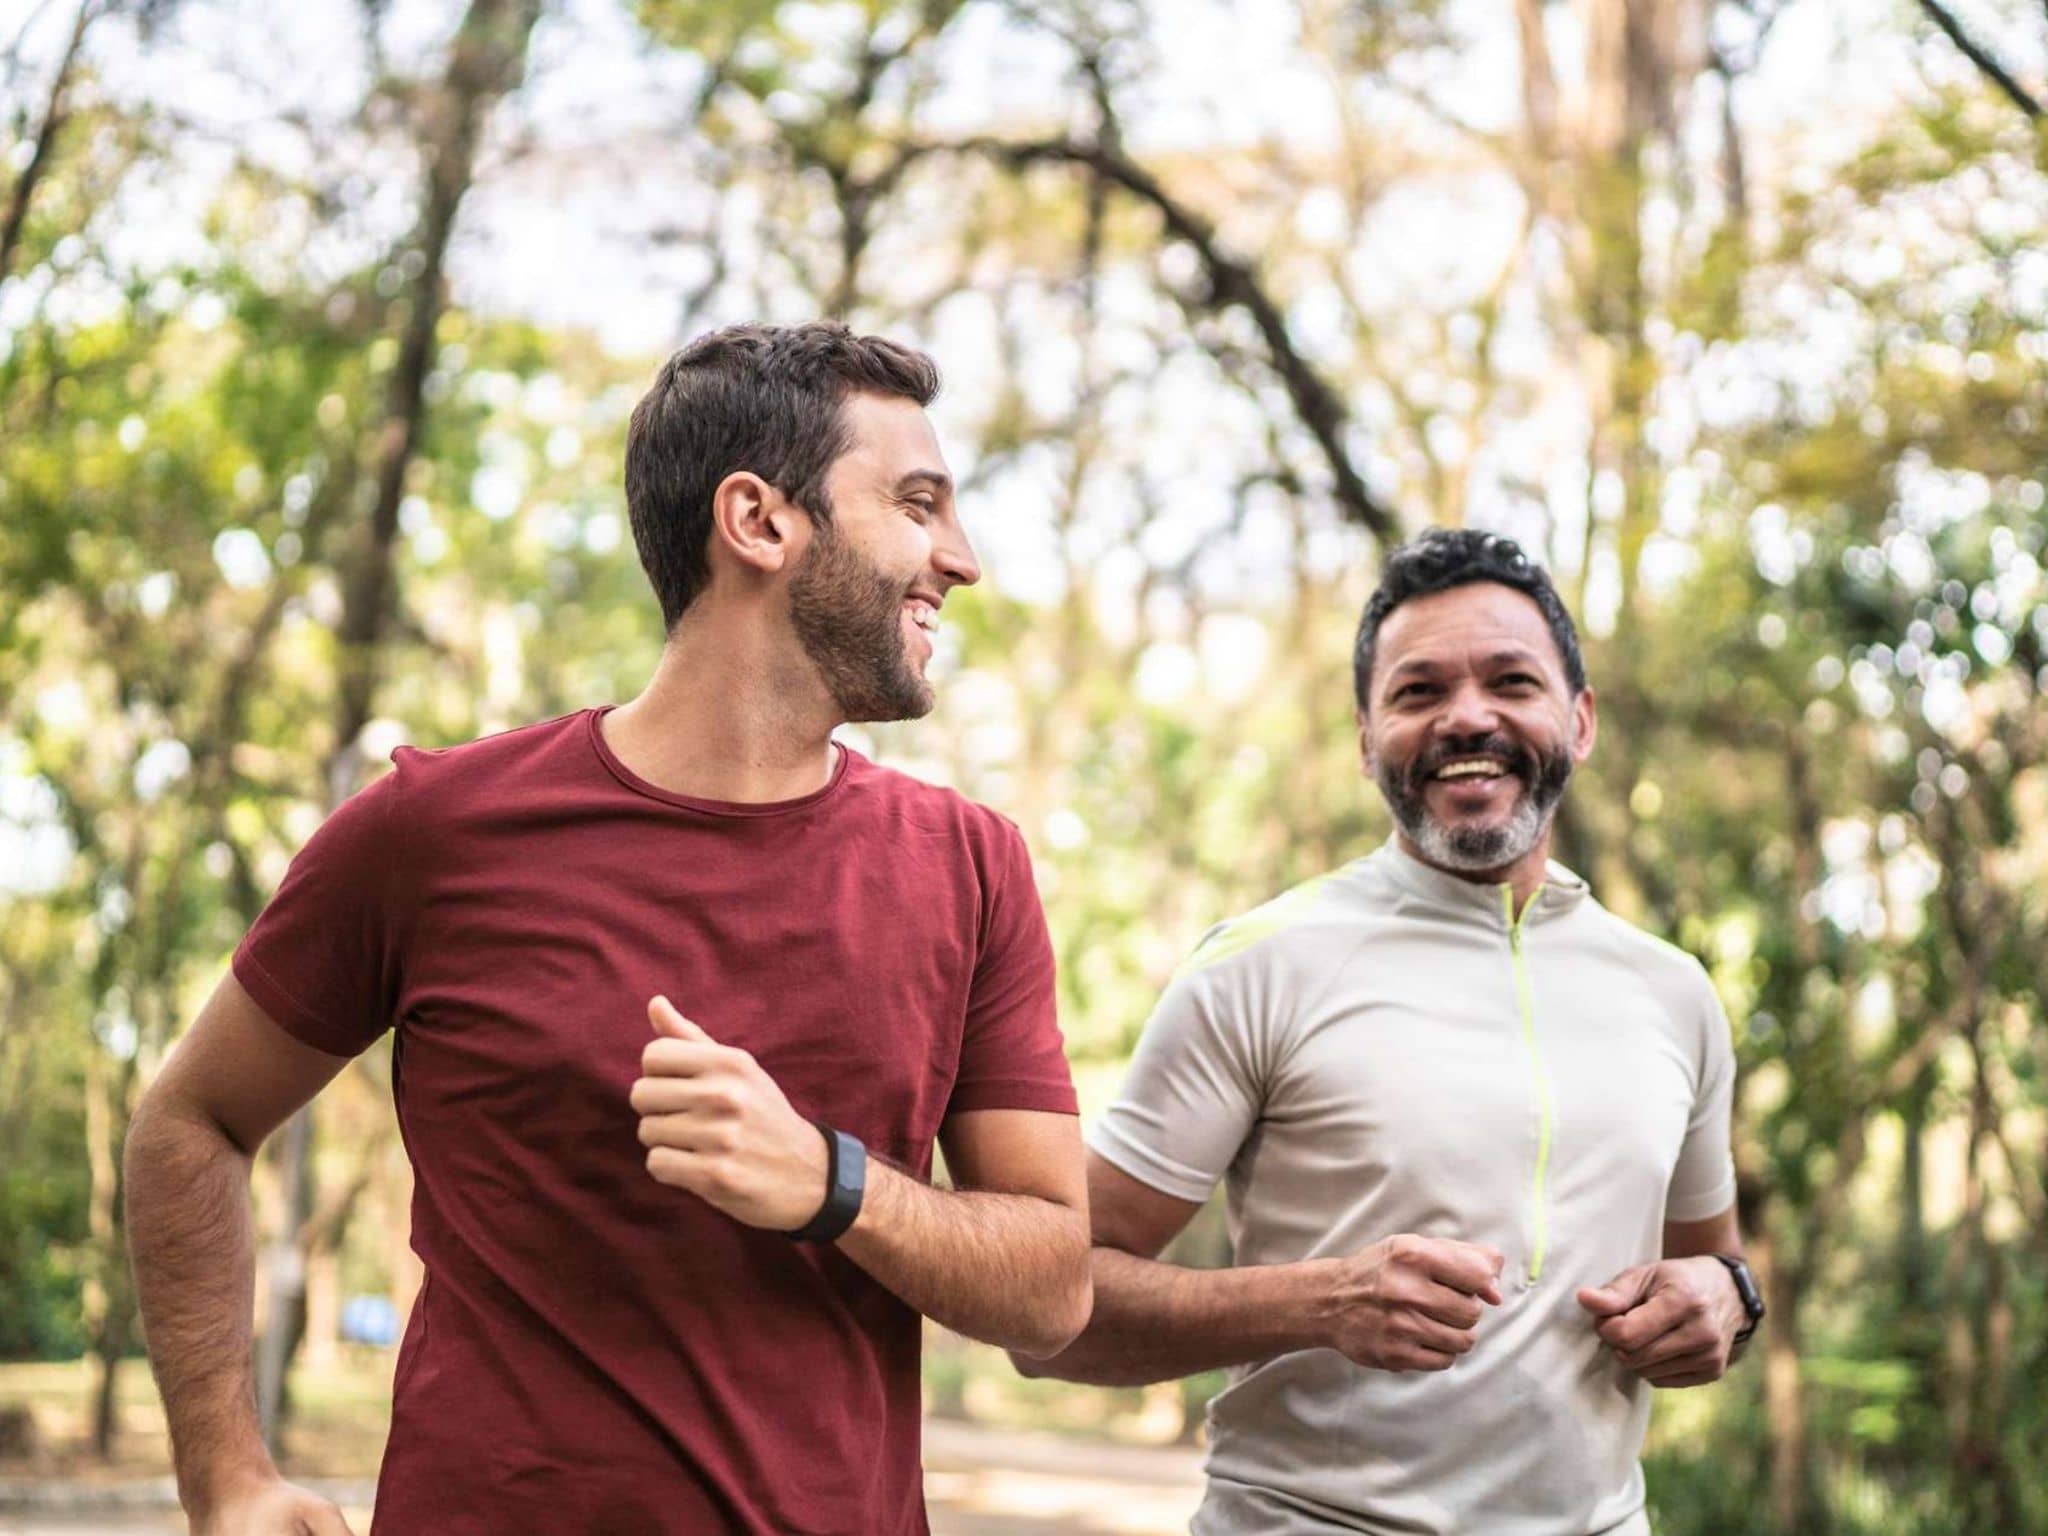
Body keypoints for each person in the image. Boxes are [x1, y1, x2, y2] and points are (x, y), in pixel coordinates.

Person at [125, 322, 1092, 1536]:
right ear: (758, 521)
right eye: (916, 503)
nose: (959, 558)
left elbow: (1051, 1286)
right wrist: (225, 1477)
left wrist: (829, 1182)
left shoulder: (970, 867)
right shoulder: (434, 831)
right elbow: (192, 1119)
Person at [1020, 529, 1761, 1535]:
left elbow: (1712, 1266)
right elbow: (1047, 1317)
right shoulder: (1258, 965)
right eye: (1417, 693)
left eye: (1510, 681)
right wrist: (1313, 1303)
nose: (1467, 717)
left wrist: (1727, 1300)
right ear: (1366, 739)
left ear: (1577, 721)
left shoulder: (1671, 991)